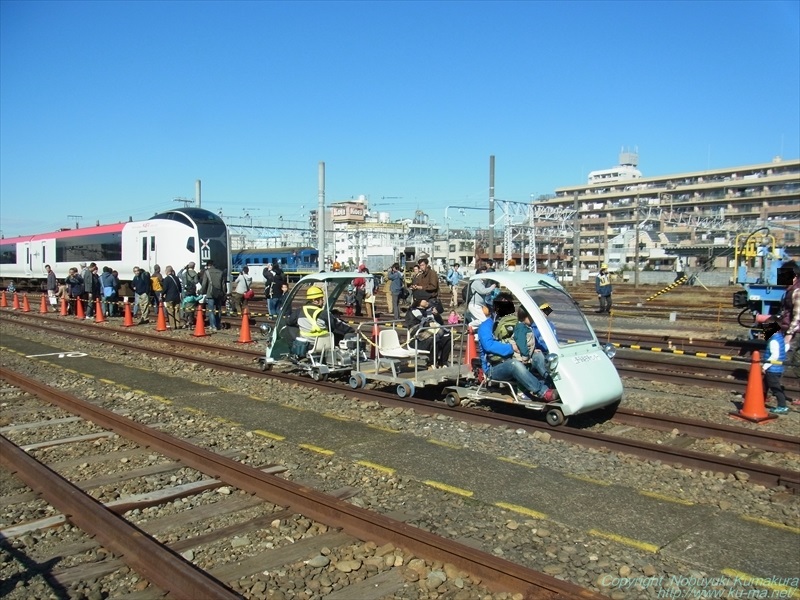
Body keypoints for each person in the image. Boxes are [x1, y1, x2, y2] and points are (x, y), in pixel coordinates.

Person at [477, 292, 558, 403]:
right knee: (515, 364)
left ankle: (554, 383)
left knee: (538, 355)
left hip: (516, 358)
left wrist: (533, 349)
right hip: (495, 367)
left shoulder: (515, 323)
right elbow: (489, 346)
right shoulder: (486, 326)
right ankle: (543, 392)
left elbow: (525, 337)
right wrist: (512, 347)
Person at [286, 285, 354, 353]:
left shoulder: (299, 311)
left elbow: (289, 322)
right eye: (321, 299)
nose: (323, 301)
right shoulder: (324, 313)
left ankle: (294, 351)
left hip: (307, 345)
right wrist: (351, 330)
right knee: (338, 331)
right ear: (315, 301)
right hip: (323, 345)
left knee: (289, 327)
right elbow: (338, 325)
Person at [514, 303, 557, 380]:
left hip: (549, 351)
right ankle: (549, 379)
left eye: (547, 311)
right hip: (537, 352)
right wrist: (532, 350)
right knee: (539, 357)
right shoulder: (532, 326)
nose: (546, 314)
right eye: (544, 312)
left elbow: (555, 339)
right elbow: (528, 341)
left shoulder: (550, 324)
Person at [404, 297, 451, 368]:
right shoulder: (412, 312)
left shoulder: (429, 311)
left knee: (448, 339)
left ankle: (443, 362)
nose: (427, 302)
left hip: (433, 334)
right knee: (435, 339)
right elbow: (412, 329)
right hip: (418, 339)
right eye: (425, 300)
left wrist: (436, 315)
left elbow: (440, 323)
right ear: (419, 301)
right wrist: (427, 325)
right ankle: (431, 363)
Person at [778, 260, 800, 384]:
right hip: (788, 329)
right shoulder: (790, 290)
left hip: (795, 332)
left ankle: (772, 391)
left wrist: (789, 334)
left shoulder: (797, 291)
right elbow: (784, 314)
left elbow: (798, 316)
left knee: (785, 360)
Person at [762, 321, 789, 415]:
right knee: (764, 386)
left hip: (772, 369)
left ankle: (782, 406)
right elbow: (786, 347)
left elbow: (775, 355)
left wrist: (764, 367)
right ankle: (760, 402)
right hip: (778, 368)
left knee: (775, 388)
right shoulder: (780, 337)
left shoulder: (773, 340)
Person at [200, 259, 226, 331]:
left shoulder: (207, 272)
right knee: (218, 310)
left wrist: (202, 292)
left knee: (211, 310)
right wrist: (224, 293)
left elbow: (204, 284)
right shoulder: (220, 272)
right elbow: (223, 285)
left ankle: (213, 325)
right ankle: (218, 324)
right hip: (219, 294)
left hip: (210, 293)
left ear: (208, 265)